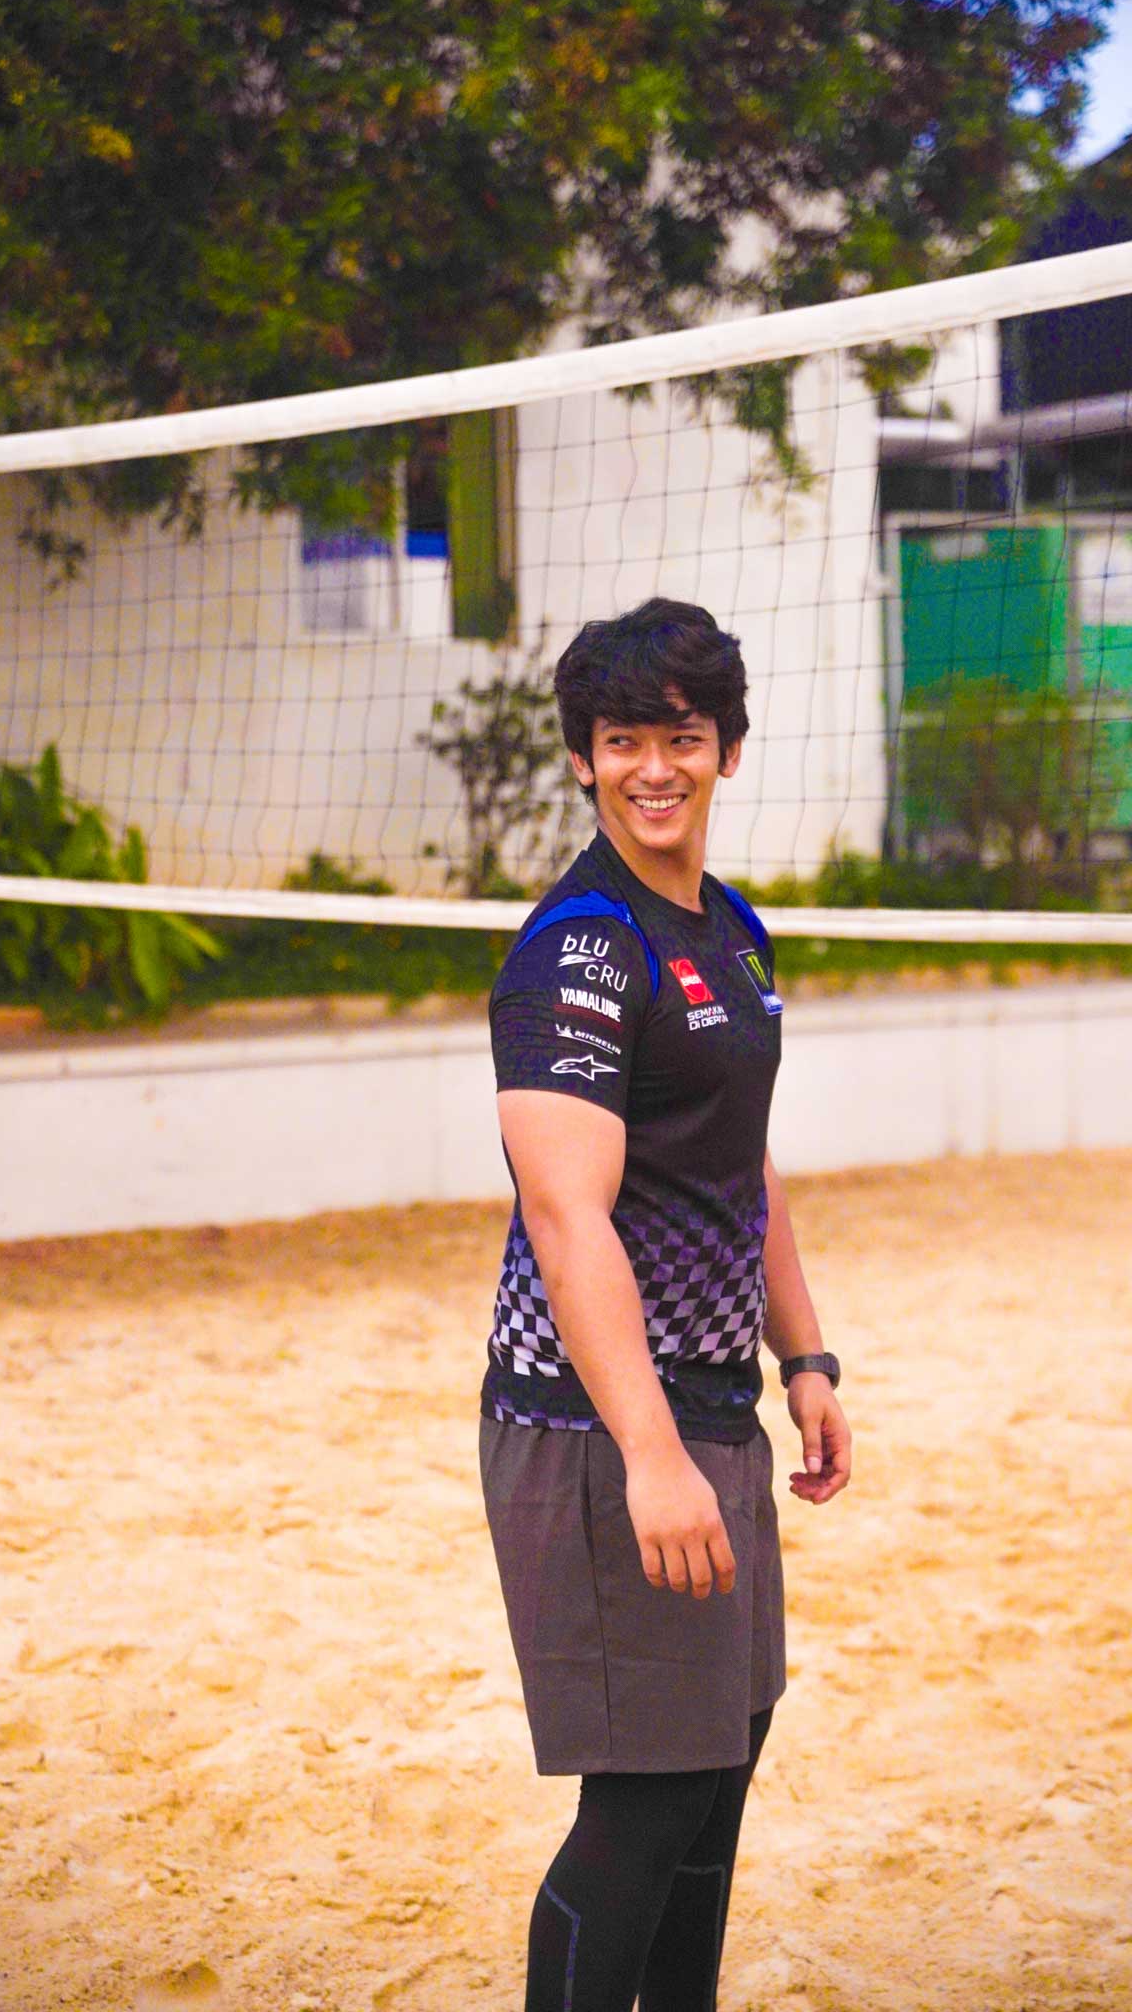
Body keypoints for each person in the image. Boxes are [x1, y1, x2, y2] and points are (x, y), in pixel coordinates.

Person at [479, 597, 852, 2012]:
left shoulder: (733, 931)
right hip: (594, 1423)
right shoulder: (579, 948)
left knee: (721, 1762)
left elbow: (740, 1164)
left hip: (712, 1408)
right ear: (584, 757)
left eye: (681, 738)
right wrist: (649, 1456)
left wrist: (804, 1356)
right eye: (622, 739)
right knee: (649, 1797)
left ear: (727, 752)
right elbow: (567, 1216)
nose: (653, 767)